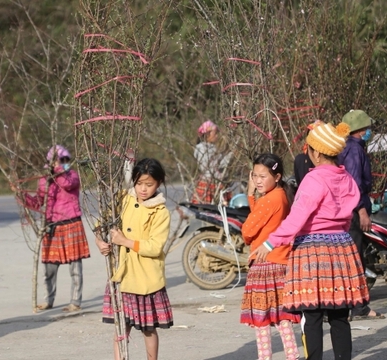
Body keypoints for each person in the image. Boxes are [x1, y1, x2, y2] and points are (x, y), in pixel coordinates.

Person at [252, 121, 370, 360]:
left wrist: (270, 242)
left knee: (313, 316)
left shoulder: (313, 179)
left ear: (316, 152)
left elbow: (297, 218)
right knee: (339, 316)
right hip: (342, 247)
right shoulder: (346, 178)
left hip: (312, 251)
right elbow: (347, 215)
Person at [96, 158, 173, 360]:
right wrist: (100, 242)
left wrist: (125, 241)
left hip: (146, 280)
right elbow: (101, 223)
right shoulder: (122, 199)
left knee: (148, 329)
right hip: (122, 276)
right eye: (139, 184)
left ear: (158, 183)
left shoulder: (161, 212)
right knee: (121, 329)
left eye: (149, 185)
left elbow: (155, 246)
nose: (143, 189)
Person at [240, 153, 300, 360]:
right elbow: (263, 219)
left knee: (262, 322)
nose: (257, 180)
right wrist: (251, 196)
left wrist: (251, 198)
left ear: (276, 177)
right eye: (254, 175)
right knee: (283, 319)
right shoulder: (282, 194)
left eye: (262, 176)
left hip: (264, 264)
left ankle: (265, 358)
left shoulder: (268, 200)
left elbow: (248, 231)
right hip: (281, 263)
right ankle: (292, 356)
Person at [20, 145, 90, 313]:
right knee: (49, 268)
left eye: (66, 160)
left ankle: (75, 301)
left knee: (75, 269)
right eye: (60, 160)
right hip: (51, 226)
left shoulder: (72, 175)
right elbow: (39, 202)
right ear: (50, 162)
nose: (65, 163)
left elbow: (66, 184)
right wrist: (23, 196)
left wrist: (57, 171)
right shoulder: (44, 180)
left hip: (72, 224)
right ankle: (49, 300)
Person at [339, 110, 385, 321]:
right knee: (355, 260)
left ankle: (355, 306)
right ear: (360, 130)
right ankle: (356, 307)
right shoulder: (354, 151)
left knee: (355, 258)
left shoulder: (350, 148)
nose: (370, 132)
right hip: (354, 212)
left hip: (351, 209)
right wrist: (362, 210)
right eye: (367, 128)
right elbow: (353, 183)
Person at [192, 120, 233, 204]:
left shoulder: (212, 148)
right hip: (209, 182)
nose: (217, 136)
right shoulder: (202, 148)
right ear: (207, 134)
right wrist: (231, 155)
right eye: (215, 133)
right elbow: (219, 164)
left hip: (214, 182)